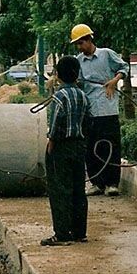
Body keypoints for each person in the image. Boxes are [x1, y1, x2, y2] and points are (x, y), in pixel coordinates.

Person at [71, 24, 129, 197]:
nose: (80, 47)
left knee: (110, 147)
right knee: (90, 149)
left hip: (108, 108)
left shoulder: (106, 54)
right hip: (89, 111)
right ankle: (97, 183)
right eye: (77, 45)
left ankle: (112, 183)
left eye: (81, 43)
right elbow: (78, 81)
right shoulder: (79, 61)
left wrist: (114, 80)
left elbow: (124, 67)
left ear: (89, 40)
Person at [41, 56, 91, 245]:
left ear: (58, 75)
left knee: (60, 189)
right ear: (77, 75)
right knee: (78, 189)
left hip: (61, 146)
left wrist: (51, 143)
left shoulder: (59, 96)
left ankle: (61, 234)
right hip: (79, 146)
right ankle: (80, 232)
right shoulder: (82, 96)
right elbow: (88, 120)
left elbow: (55, 123)